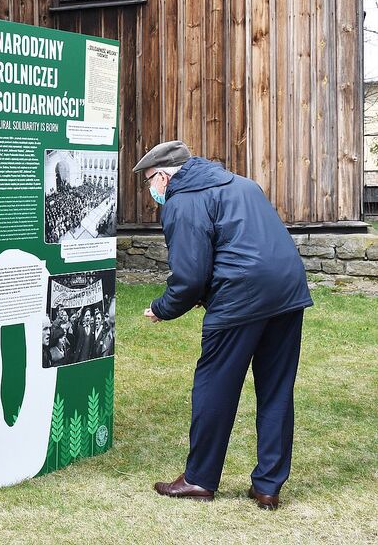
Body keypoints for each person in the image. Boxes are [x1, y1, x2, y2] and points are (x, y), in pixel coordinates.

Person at [135, 140, 313, 510]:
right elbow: (244, 244)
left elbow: (190, 276)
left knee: (214, 385)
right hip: (287, 292)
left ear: (165, 176)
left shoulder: (184, 201)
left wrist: (163, 308)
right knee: (277, 389)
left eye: (150, 180)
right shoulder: (243, 184)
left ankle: (199, 479)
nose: (151, 189)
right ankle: (268, 486)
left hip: (240, 299)